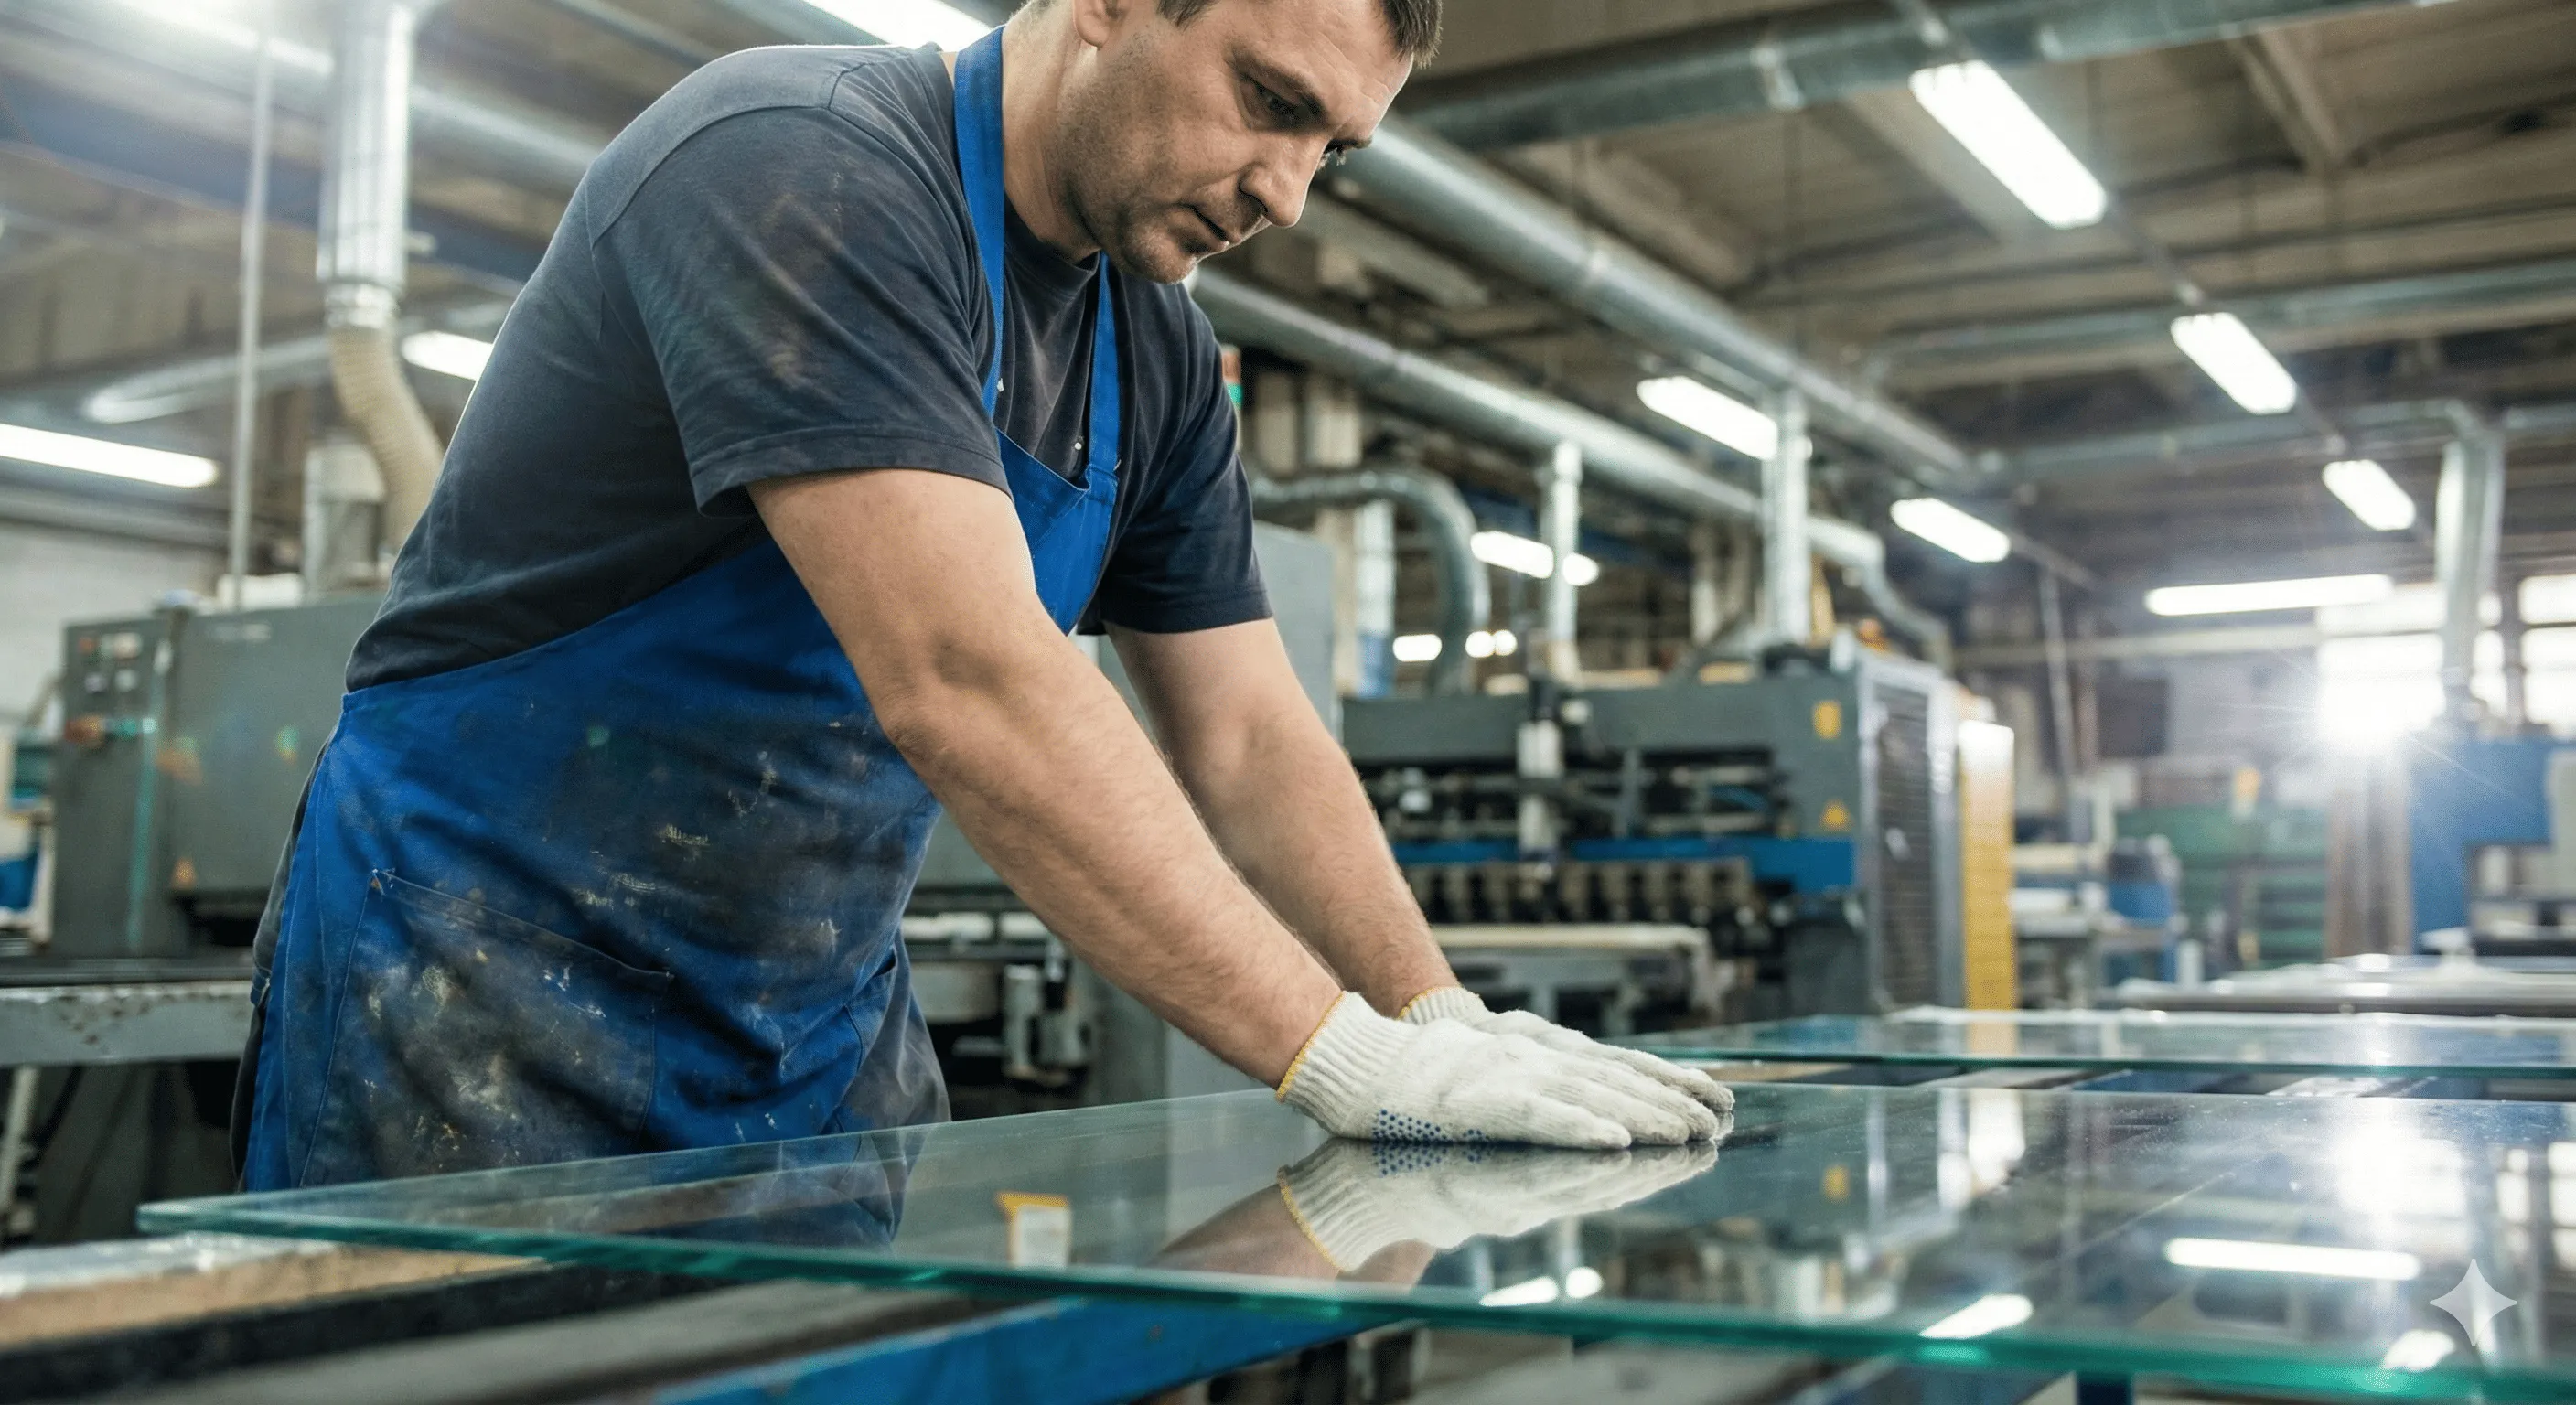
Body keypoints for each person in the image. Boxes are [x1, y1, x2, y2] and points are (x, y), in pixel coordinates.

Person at [236, 0, 1732, 1190]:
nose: (1284, 195)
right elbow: (968, 679)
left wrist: (1436, 1018)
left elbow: (1252, 739)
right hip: (473, 985)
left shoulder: (1153, 357)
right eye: (1271, 103)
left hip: (804, 1027)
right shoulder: (797, 166)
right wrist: (1350, 1067)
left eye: (1331, 153)